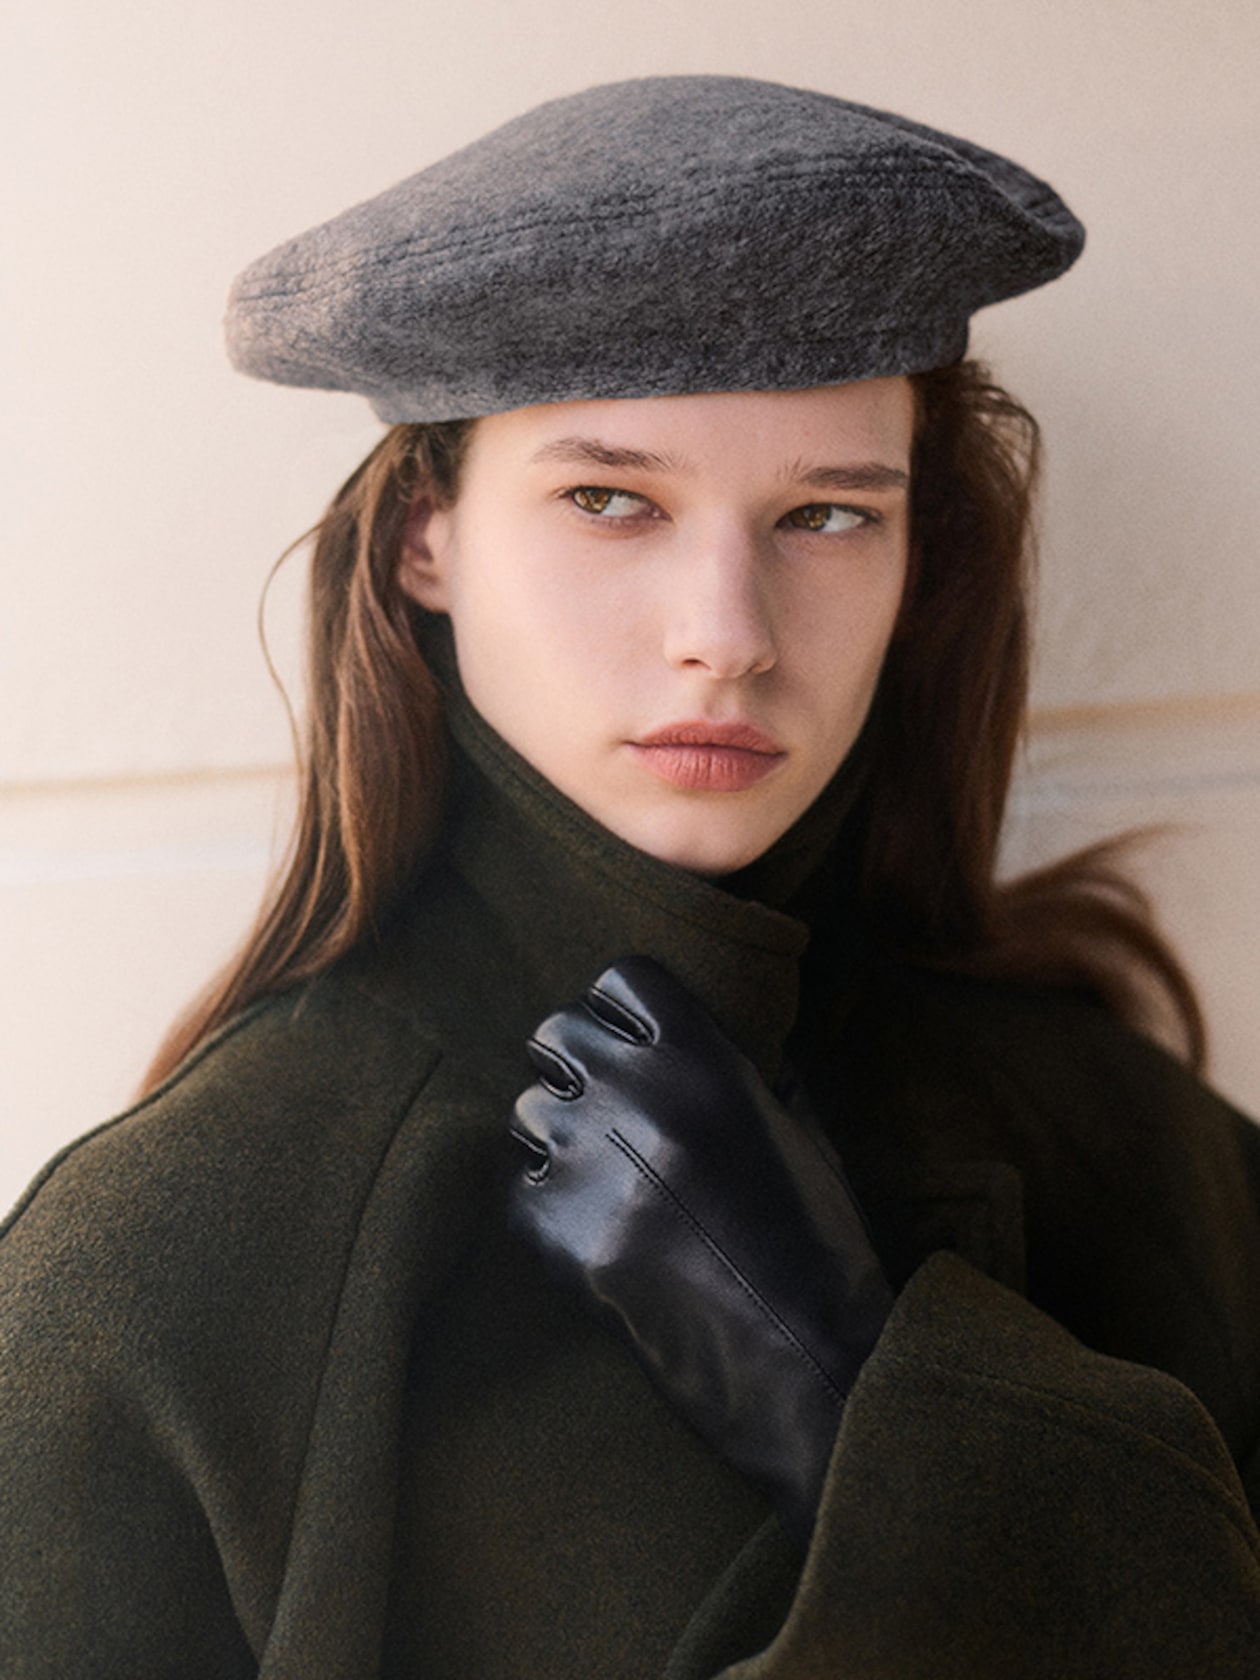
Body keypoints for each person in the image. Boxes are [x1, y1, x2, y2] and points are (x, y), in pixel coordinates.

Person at [2, 74, 1259, 1679]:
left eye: (824, 515)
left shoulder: (1133, 1148)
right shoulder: (163, 1274)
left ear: (916, 559)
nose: (726, 632)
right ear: (426, 539)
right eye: (611, 499)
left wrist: (854, 1394)